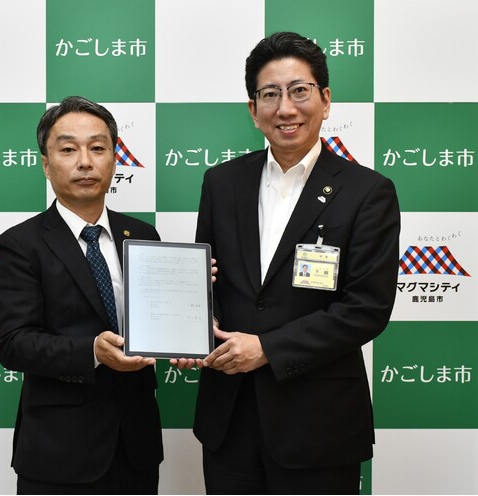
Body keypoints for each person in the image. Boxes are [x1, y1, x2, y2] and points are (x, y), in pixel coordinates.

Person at [190, 32, 401, 494]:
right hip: (229, 421)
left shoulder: (368, 192)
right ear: (253, 110)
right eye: (270, 94)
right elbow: (206, 284)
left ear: (325, 100)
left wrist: (267, 348)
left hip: (318, 426)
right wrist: (193, 329)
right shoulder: (221, 183)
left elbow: (366, 309)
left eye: (299, 91)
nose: (285, 108)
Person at [0, 96, 163, 494]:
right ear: (46, 164)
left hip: (135, 447)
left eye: (98, 148)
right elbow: (13, 343)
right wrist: (92, 352)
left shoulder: (142, 235)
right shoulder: (20, 244)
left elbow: (156, 321)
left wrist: (190, 325)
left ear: (114, 159)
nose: (85, 162)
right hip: (58, 451)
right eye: (68, 149)